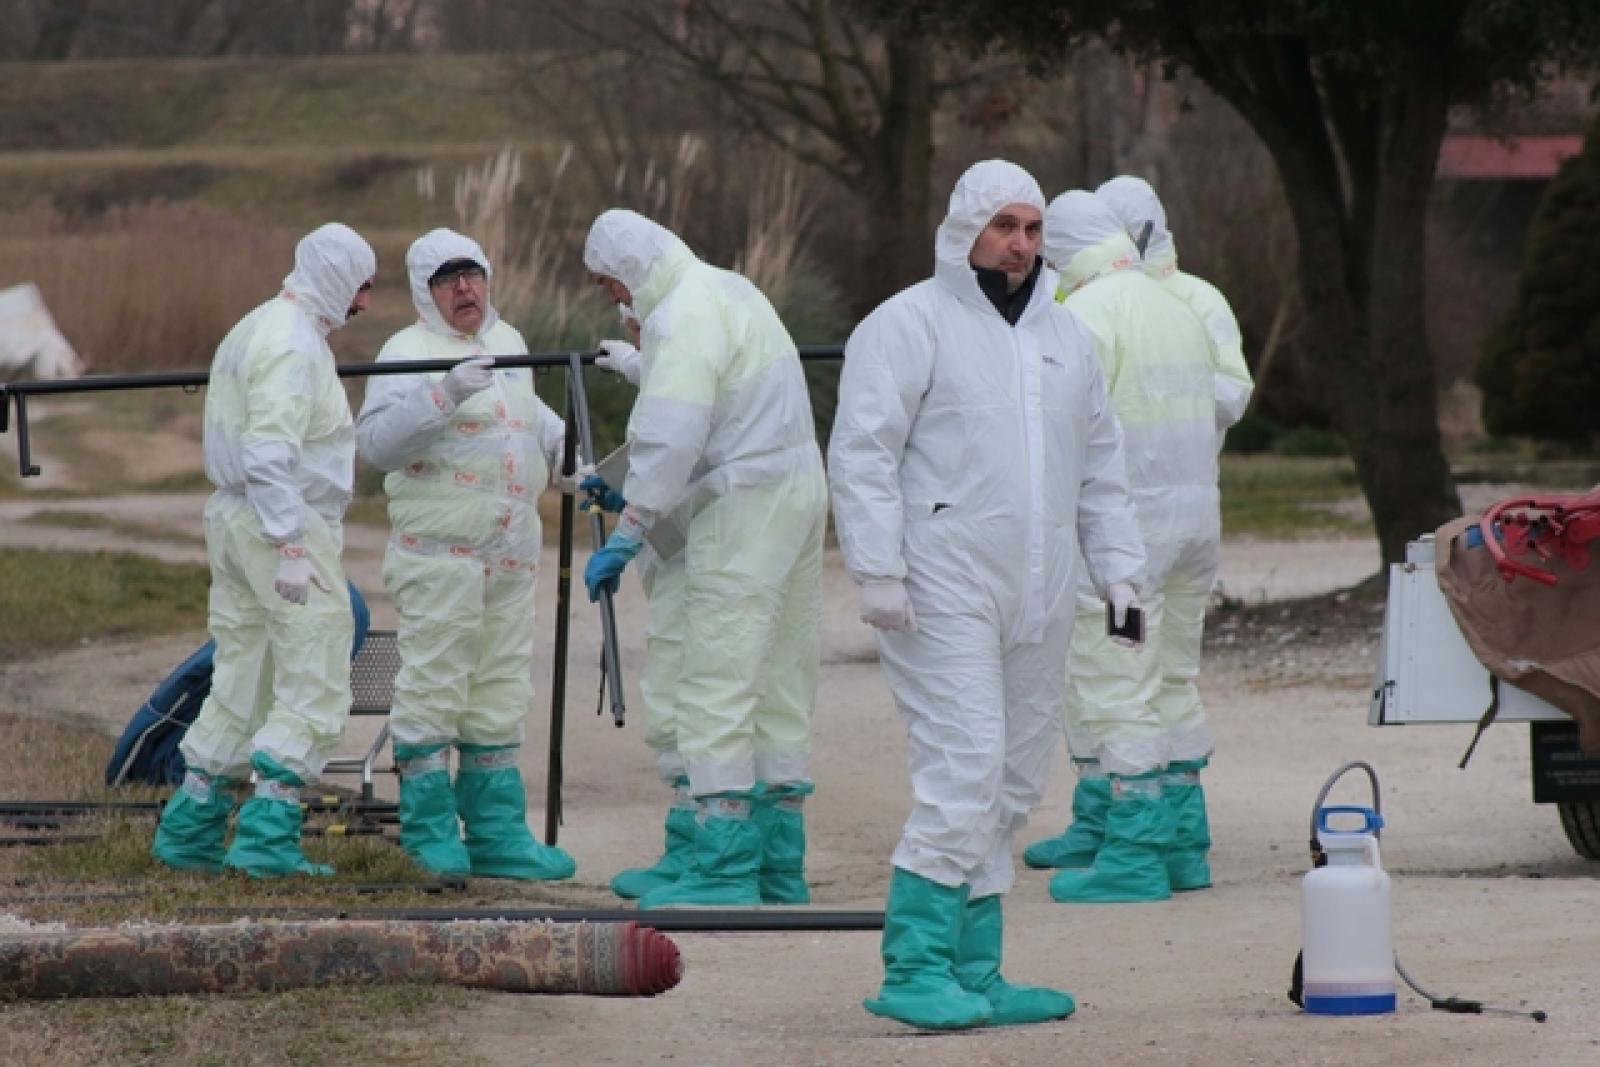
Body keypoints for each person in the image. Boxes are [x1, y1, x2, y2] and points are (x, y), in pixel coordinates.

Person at [829, 160, 1146, 1031]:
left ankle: (979, 968)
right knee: (964, 765)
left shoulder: (1067, 338)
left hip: (1039, 591)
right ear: (965, 227)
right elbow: (862, 453)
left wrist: (1120, 572)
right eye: (1005, 225)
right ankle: (916, 965)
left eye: (1035, 228)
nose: (1022, 243)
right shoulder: (908, 325)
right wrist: (880, 570)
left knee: (1011, 779)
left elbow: (1101, 468)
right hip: (942, 585)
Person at [580, 208, 827, 909]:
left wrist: (628, 530)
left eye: (609, 283)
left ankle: (719, 866)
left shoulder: (680, 313)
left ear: (627, 269)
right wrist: (637, 363)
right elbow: (716, 392)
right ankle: (776, 862)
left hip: (742, 506)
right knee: (779, 671)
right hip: (792, 491)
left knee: (714, 668)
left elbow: (671, 433)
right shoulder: (726, 289)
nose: (614, 299)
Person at [151, 222, 375, 878]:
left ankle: (191, 824)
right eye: (362, 287)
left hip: (238, 520)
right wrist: (291, 545)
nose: (364, 303)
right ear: (336, 278)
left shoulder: (259, 325)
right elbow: (271, 450)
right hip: (277, 522)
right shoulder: (291, 343)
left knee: (243, 668)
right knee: (314, 665)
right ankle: (268, 836)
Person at [355, 228, 576, 881]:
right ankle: (428, 832)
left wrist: (569, 453)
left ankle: (498, 833)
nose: (464, 288)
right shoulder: (408, 350)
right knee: (433, 684)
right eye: (448, 279)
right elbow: (377, 445)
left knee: (501, 687)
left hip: (510, 557)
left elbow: (527, 418)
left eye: (472, 274)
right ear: (427, 293)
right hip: (441, 558)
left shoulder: (509, 343)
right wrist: (442, 394)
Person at [1025, 190, 1221, 905]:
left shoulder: (1081, 316)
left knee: (1117, 683)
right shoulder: (1177, 302)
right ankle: (1183, 844)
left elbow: (1054, 435)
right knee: (1173, 677)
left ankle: (1133, 854)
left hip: (1127, 545)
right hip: (1196, 529)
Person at [1094, 175, 1255, 434]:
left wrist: (1152, 390)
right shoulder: (1096, 301)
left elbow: (1233, 396)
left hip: (1189, 469)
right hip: (1110, 470)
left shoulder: (1202, 300)